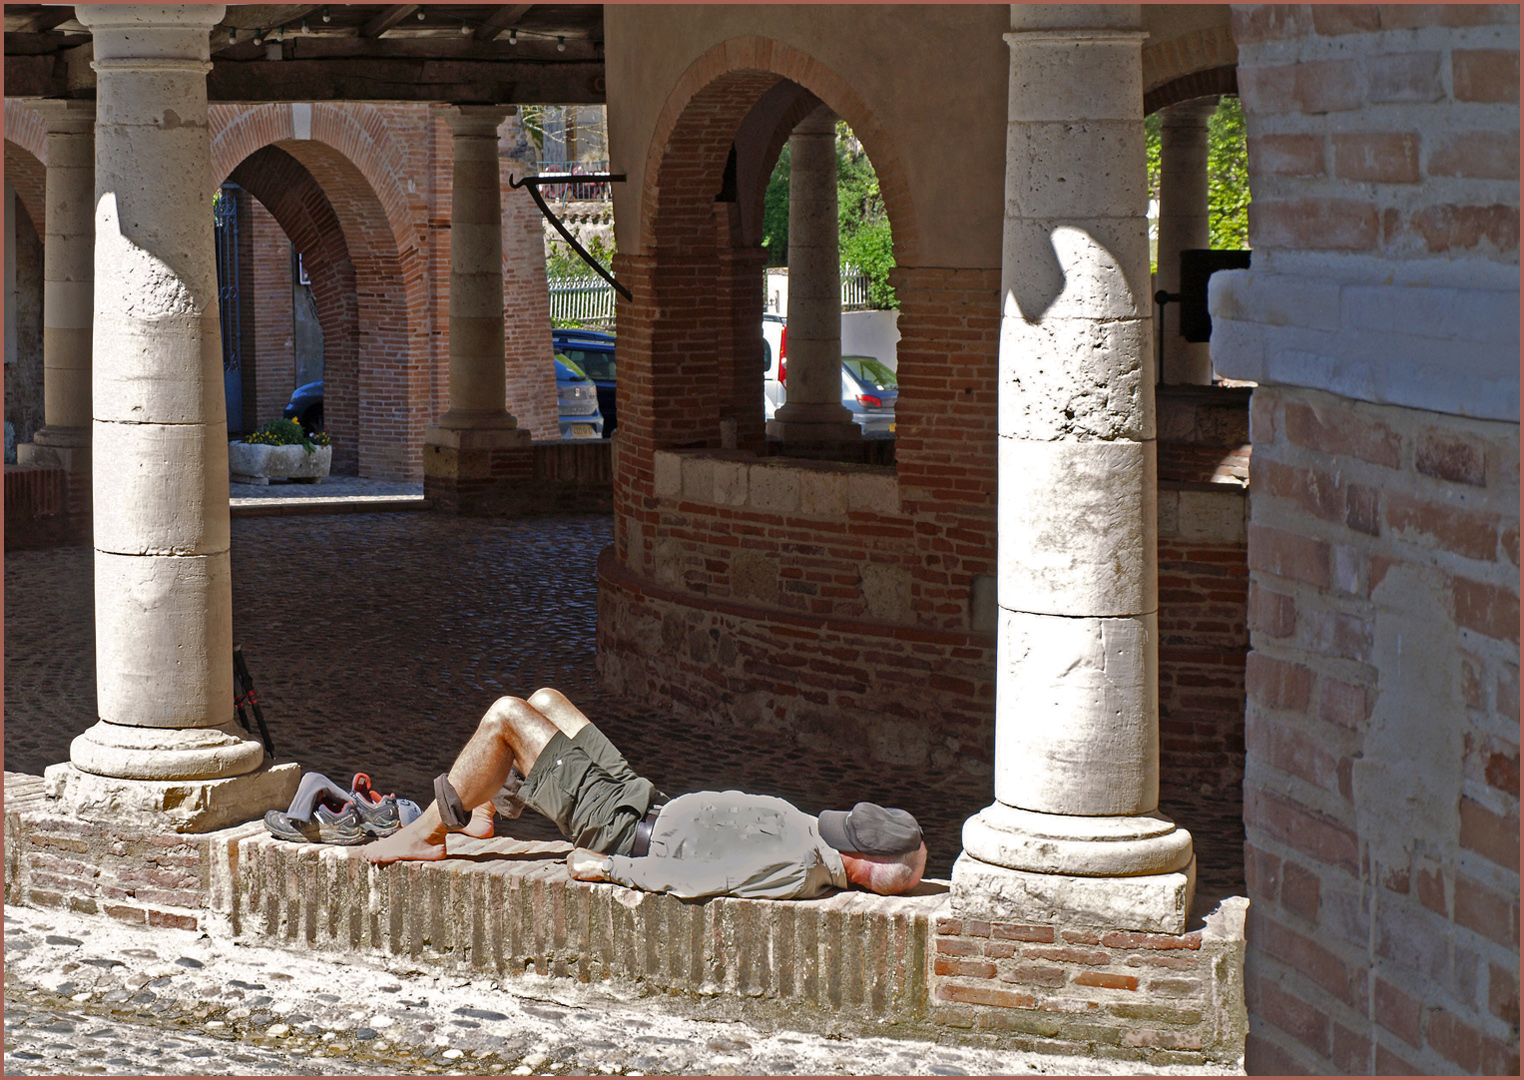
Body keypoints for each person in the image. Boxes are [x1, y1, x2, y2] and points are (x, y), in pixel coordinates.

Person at [361, 688, 927, 900]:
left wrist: (608, 869)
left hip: (621, 830)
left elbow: (702, 880)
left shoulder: (800, 867)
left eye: (850, 831)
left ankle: (426, 833)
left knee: (507, 716)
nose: (836, 823)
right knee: (548, 699)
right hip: (643, 797)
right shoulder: (818, 843)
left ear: (861, 862)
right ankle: (489, 807)